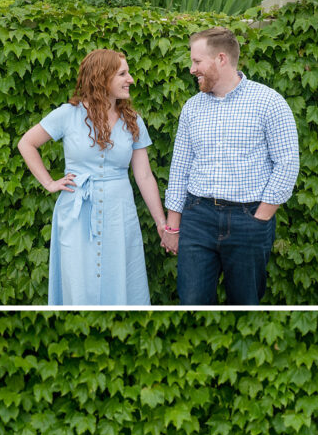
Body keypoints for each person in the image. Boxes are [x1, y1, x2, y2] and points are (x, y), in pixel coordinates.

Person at [161, 27, 300, 306]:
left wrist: (260, 218)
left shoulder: (269, 102)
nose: (191, 69)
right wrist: (173, 227)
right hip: (197, 218)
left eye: (197, 62)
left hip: (248, 219)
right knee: (192, 302)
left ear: (221, 59)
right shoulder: (192, 107)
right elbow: (180, 168)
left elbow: (287, 164)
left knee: (245, 304)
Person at [18, 49, 167, 305]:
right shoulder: (67, 114)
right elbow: (27, 143)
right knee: (78, 280)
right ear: (102, 77)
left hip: (119, 213)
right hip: (76, 213)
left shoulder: (133, 121)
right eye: (122, 73)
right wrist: (50, 183)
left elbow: (143, 175)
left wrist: (161, 224)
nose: (130, 79)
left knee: (120, 276)